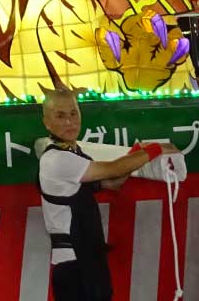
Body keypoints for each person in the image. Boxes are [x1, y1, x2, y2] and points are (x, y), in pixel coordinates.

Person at [39, 90, 179, 301]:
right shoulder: (56, 159)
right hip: (73, 264)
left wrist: (136, 152)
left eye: (74, 113)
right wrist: (154, 150)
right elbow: (113, 169)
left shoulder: (75, 154)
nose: (69, 121)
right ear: (47, 122)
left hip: (90, 261)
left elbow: (113, 183)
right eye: (60, 115)